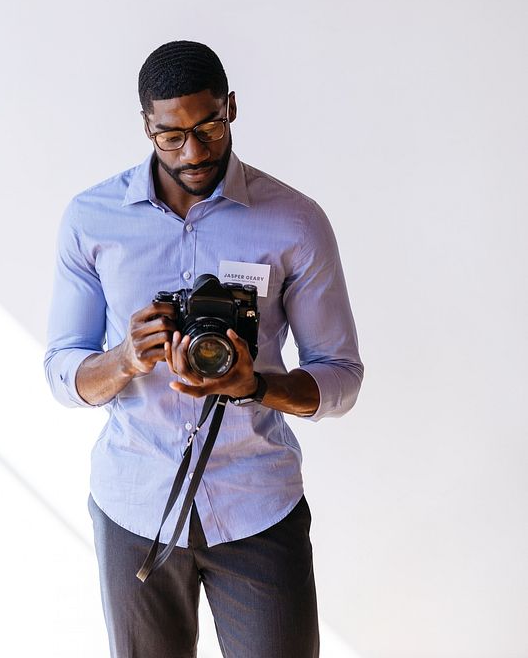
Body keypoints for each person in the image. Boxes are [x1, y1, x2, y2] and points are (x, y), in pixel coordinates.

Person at [45, 40, 363, 658]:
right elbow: (62, 372)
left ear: (232, 107)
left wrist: (257, 385)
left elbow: (342, 375)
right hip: (132, 504)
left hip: (257, 505)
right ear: (146, 125)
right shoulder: (91, 219)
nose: (193, 152)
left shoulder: (295, 222)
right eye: (170, 136)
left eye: (209, 126)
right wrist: (126, 357)